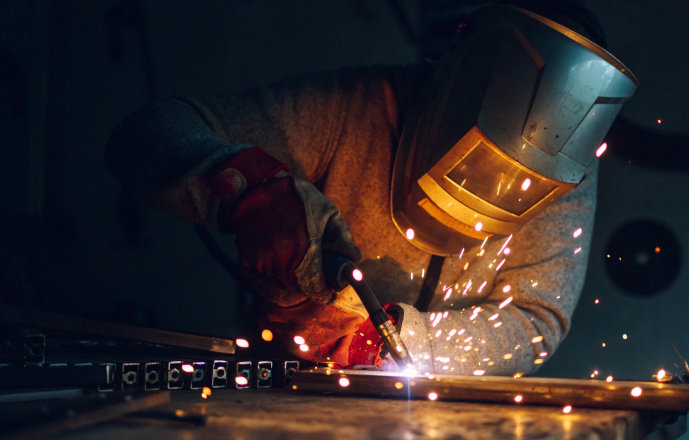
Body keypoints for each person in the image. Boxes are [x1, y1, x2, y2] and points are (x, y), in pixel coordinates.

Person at [105, 0, 637, 376]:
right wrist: (249, 187)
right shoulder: (353, 107)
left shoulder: (568, 170)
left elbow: (537, 319)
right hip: (289, 391)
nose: (491, 183)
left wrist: (388, 343)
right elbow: (147, 133)